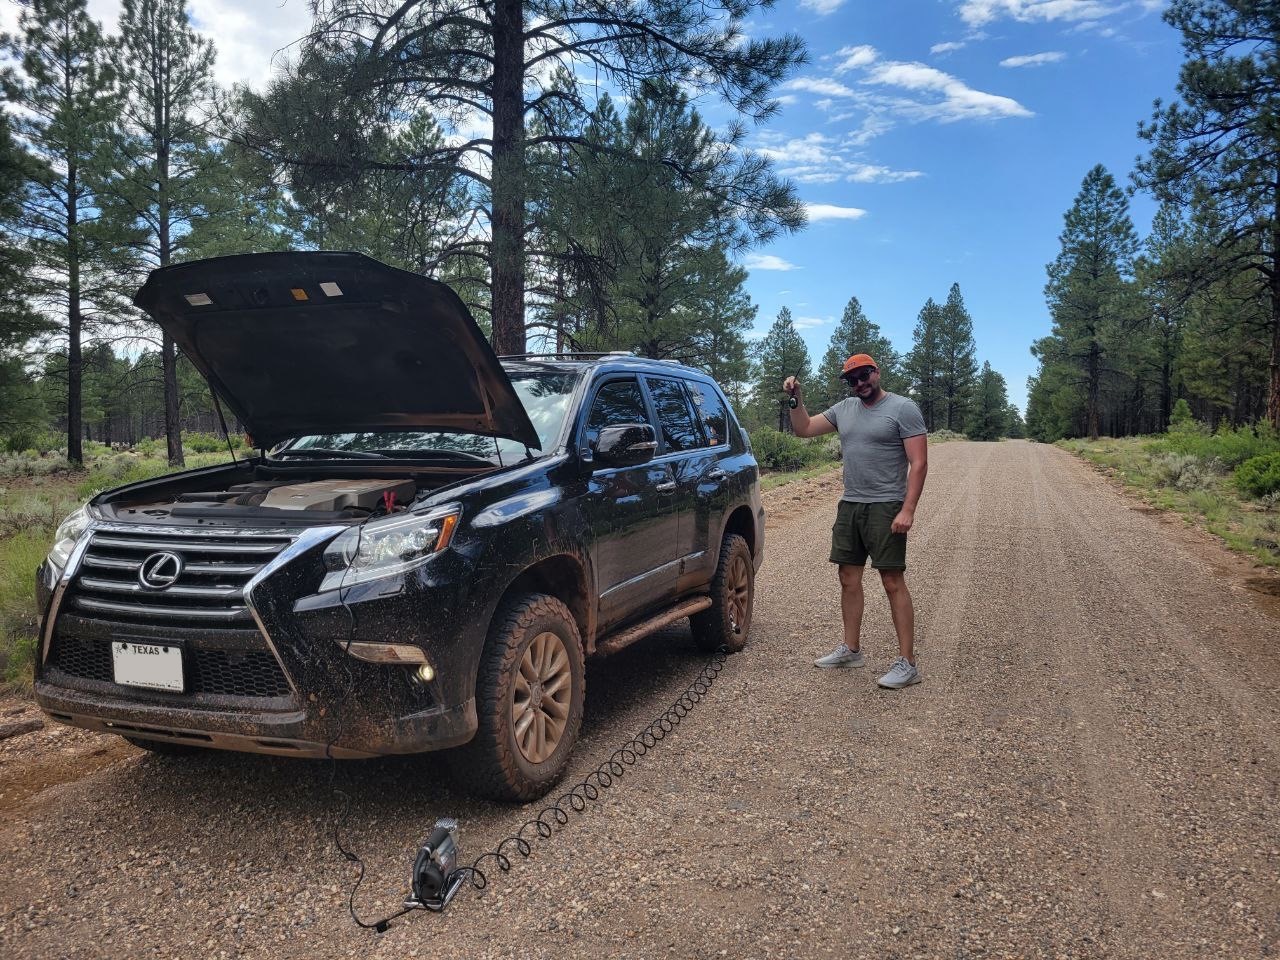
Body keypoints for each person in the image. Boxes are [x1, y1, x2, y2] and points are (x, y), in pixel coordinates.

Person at [783, 354, 928, 689]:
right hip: (851, 504)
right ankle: (851, 649)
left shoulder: (903, 408)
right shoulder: (844, 409)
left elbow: (918, 463)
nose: (860, 383)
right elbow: (804, 429)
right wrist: (796, 398)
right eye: (852, 379)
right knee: (848, 578)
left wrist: (908, 510)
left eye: (864, 375)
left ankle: (908, 663)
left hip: (886, 505)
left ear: (876, 372)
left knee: (892, 581)